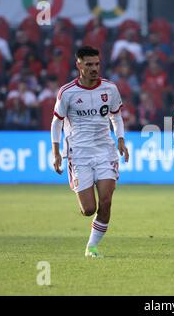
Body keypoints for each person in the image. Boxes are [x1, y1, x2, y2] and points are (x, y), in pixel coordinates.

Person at [51, 46, 129, 258]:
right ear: (79, 65)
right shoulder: (67, 92)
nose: (94, 68)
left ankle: (92, 247)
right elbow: (56, 123)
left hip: (105, 151)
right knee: (88, 210)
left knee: (106, 201)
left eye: (97, 64)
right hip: (79, 155)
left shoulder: (110, 88)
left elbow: (116, 116)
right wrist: (56, 152)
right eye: (89, 65)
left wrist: (120, 139)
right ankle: (86, 210)